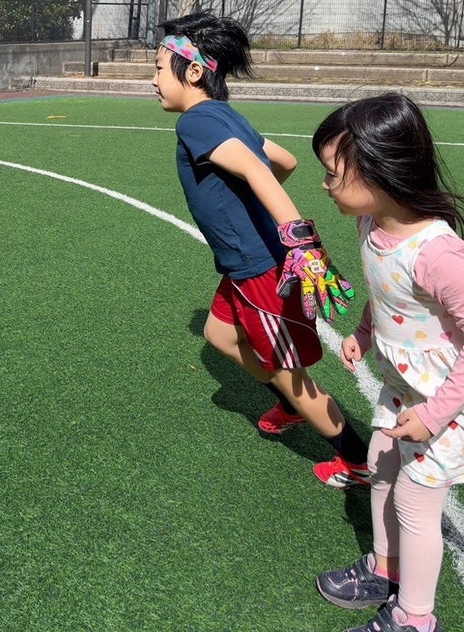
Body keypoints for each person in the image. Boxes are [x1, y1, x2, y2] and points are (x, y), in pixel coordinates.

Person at [152, 12, 368, 487]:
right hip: (243, 265)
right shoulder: (224, 114)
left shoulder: (195, 121)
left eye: (159, 68)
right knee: (220, 335)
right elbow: (283, 161)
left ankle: (359, 460)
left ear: (193, 72)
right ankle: (291, 407)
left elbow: (255, 169)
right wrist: (248, 206)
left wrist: (300, 241)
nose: (153, 79)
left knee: (294, 377)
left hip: (260, 269)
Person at [312, 92, 464, 632]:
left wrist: (434, 416)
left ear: (381, 172)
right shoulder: (371, 223)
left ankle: (416, 623)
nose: (326, 185)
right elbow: (384, 293)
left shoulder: (437, 254)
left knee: (414, 497)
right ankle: (386, 568)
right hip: (404, 386)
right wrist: (363, 331)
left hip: (447, 400)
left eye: (334, 173)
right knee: (381, 463)